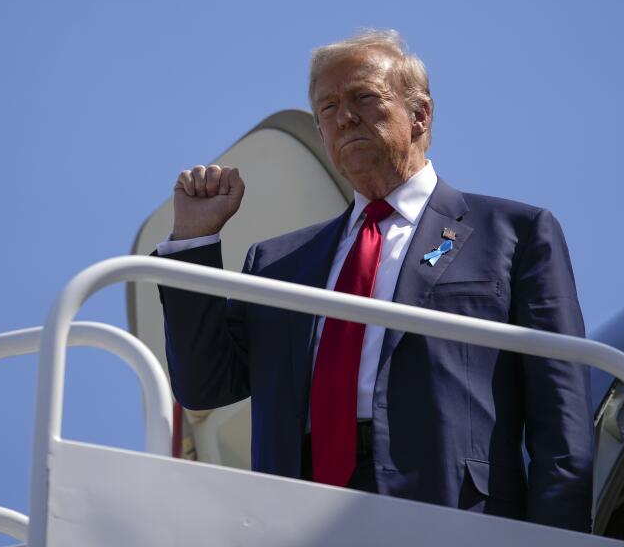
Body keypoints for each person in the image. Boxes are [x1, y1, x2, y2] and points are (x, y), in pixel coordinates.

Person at [154, 29, 593, 532]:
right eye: (328, 108)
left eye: (364, 97)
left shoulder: (513, 234)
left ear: (420, 114)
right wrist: (193, 241)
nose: (344, 117)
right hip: (301, 516)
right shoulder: (279, 263)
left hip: (454, 514)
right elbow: (205, 385)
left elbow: (561, 415)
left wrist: (561, 537)